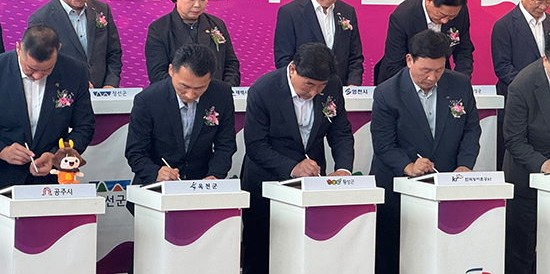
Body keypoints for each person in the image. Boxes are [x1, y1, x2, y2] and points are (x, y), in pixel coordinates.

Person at [370, 29, 481, 274]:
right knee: (394, 256)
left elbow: (471, 130)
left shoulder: (460, 85)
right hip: (398, 188)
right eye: (425, 70)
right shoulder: (387, 92)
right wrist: (408, 166)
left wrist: (464, 165)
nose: (432, 77)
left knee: (442, 255)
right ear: (409, 60)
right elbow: (383, 144)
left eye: (439, 70)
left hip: (445, 185)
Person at [241, 42, 354, 274]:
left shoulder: (333, 86)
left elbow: (340, 132)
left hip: (310, 183)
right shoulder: (263, 90)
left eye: (320, 86)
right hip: (266, 179)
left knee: (307, 249)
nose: (314, 92)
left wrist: (343, 169)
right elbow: (256, 145)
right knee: (261, 250)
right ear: (292, 69)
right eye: (309, 84)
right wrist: (293, 168)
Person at [125, 44, 237, 185]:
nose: (190, 95)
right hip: (156, 185)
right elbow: (135, 151)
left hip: (202, 183)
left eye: (199, 88)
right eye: (184, 86)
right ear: (171, 70)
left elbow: (225, 145)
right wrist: (156, 173)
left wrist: (214, 175)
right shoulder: (148, 100)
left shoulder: (221, 94)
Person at [0, 25, 95, 189]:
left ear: (58, 49)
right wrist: (2, 150)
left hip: (50, 180)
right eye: (30, 69)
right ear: (18, 49)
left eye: (46, 70)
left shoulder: (74, 72)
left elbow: (84, 126)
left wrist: (56, 156)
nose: (37, 76)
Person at [28, 0, 122, 88]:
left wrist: (110, 84)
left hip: (102, 93)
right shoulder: (41, 19)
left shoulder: (102, 10)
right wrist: (75, 82)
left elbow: (114, 52)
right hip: (65, 93)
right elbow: (40, 65)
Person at [491, 0, 550, 171]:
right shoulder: (504, 25)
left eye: (548, 2)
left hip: (547, 100)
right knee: (517, 153)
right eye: (538, 1)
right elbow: (503, 67)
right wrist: (531, 87)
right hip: (518, 99)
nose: (543, 7)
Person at [273, 0, 364, 85]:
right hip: (305, 90)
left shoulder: (347, 11)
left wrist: (352, 86)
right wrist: (302, 87)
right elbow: (284, 59)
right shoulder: (290, 13)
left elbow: (355, 57)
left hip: (340, 89)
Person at [145, 0, 240, 86]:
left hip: (216, 92)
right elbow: (157, 73)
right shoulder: (159, 28)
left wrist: (225, 89)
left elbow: (231, 64)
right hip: (178, 94)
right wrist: (190, 90)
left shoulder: (217, 24)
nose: (197, 5)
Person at [503, 49, 550, 274]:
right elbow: (514, 139)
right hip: (526, 178)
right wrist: (543, 164)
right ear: (545, 59)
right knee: (521, 252)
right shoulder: (523, 85)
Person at [375, 0, 474, 85]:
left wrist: (461, 82)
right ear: (429, 0)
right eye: (442, 15)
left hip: (439, 76)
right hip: (401, 78)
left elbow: (463, 51)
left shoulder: (459, 12)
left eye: (451, 17)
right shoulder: (402, 16)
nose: (445, 21)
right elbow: (395, 62)